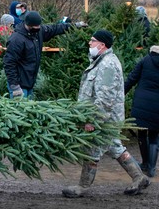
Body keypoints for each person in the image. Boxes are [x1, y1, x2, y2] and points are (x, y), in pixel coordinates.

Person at [62, 30, 150, 198]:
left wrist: (92, 120)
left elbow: (105, 98)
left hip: (104, 119)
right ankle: (139, 177)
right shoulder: (100, 61)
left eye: (92, 41)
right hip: (106, 119)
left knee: (91, 149)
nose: (89, 43)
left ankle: (83, 186)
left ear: (102, 45)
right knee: (115, 147)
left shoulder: (107, 64)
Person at [3, 11, 87, 99]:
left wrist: (75, 26)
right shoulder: (16, 39)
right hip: (19, 85)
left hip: (30, 82)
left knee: (30, 111)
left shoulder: (38, 32)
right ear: (29, 25)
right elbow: (9, 63)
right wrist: (15, 86)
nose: (38, 27)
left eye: (39, 25)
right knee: (20, 111)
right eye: (36, 26)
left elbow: (55, 28)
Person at [125, 45, 159, 177]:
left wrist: (121, 93)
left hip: (142, 102)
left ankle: (144, 163)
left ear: (151, 52)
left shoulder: (145, 60)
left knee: (142, 134)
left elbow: (132, 78)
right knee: (154, 136)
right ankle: (151, 168)